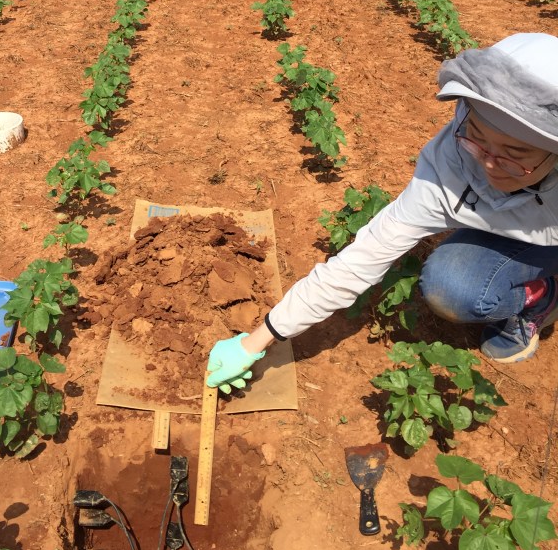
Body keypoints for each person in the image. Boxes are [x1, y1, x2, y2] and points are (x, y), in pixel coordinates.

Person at [207, 33, 558, 393]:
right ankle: (533, 287)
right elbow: (361, 259)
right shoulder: (448, 165)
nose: (488, 161)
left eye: (515, 153)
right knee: (452, 287)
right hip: (513, 226)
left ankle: (541, 296)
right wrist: (255, 340)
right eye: (477, 136)